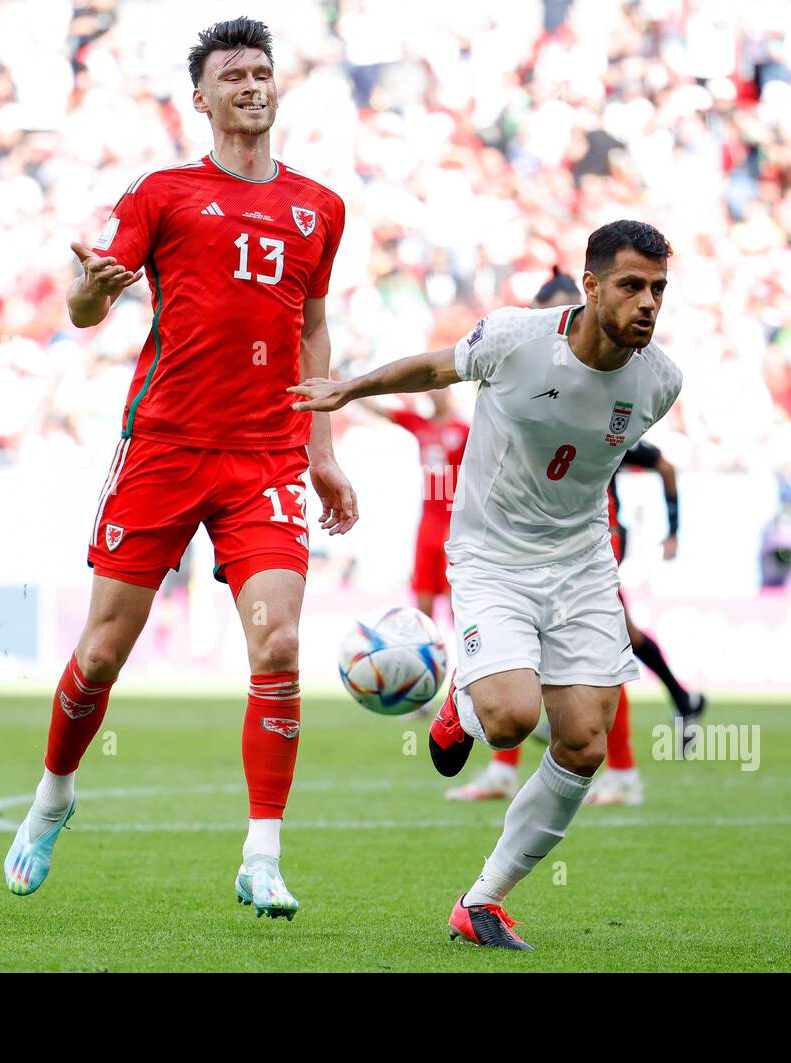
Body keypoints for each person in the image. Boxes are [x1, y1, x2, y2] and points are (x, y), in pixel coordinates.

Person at [3, 17, 358, 921]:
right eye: (232, 74)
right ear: (200, 98)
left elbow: (312, 326)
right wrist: (90, 287)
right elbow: (88, 308)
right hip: (163, 445)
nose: (252, 84)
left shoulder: (319, 206)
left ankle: (263, 854)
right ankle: (53, 796)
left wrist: (323, 453)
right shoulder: (161, 193)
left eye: (262, 71)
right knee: (100, 653)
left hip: (266, 456)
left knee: (278, 645)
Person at [291, 220, 681, 949]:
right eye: (631, 285)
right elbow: (437, 370)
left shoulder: (659, 380)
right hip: (493, 554)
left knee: (585, 741)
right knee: (508, 717)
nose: (648, 303)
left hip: (582, 563)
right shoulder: (515, 340)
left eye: (659, 288)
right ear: (591, 286)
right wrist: (348, 389)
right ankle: (464, 703)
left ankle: (482, 901)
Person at [446, 269, 704, 806]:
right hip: (517, 543)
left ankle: (628, 764)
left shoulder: (617, 388)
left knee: (610, 648)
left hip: (590, 540)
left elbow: (661, 463)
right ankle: (508, 758)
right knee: (530, 653)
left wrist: (673, 528)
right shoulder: (530, 379)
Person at [357, 390, 469, 621]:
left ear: (450, 392)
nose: (434, 395)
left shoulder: (465, 430)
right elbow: (383, 411)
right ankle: (428, 654)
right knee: (422, 603)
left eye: (440, 389)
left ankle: (460, 656)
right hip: (428, 524)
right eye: (431, 390)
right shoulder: (420, 425)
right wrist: (349, 389)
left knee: (456, 605)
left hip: (455, 526)